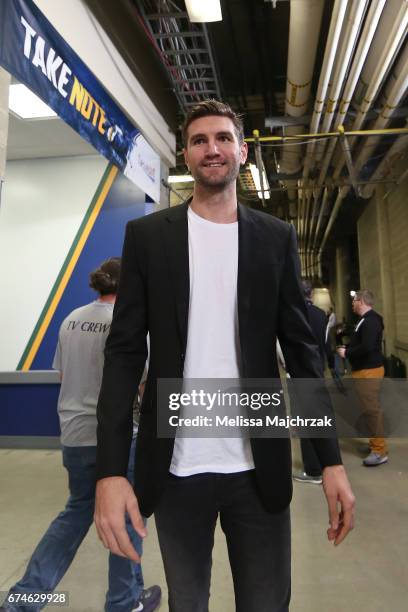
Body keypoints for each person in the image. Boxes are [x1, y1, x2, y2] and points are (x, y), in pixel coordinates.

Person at [95, 100, 355, 612]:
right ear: (186, 156)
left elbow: (302, 354)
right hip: (175, 470)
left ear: (241, 150)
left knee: (264, 603)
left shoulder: (274, 238)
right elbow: (124, 354)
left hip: (257, 468)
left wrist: (330, 461)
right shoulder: (148, 238)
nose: (211, 148)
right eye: (198, 141)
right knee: (187, 602)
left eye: (221, 138)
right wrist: (109, 471)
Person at [1, 259, 160, 612]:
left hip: (73, 433)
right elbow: (143, 386)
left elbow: (63, 376)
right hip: (117, 439)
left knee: (75, 515)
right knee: (127, 521)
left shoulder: (71, 318)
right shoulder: (129, 325)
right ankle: (123, 603)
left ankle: (23, 601)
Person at [337, 289, 388, 467]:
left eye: (354, 301)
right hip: (364, 370)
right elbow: (362, 342)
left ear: (361, 301)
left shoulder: (372, 321)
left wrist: (347, 352)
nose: (352, 304)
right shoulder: (365, 320)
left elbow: (367, 347)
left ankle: (379, 451)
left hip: (369, 371)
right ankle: (376, 444)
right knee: (368, 410)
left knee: (371, 411)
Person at [293, 279, 333, 485]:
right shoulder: (320, 315)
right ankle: (323, 461)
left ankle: (313, 470)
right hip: (317, 371)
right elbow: (326, 343)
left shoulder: (294, 313)